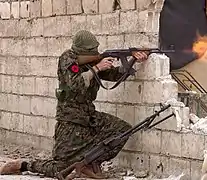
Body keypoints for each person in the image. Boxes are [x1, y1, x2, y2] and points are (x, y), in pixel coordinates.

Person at [0, 30, 149, 179]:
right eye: (91, 52)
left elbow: (117, 75)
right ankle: (23, 165)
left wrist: (132, 60)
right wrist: (97, 68)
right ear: (81, 51)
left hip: (89, 117)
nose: (95, 54)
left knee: (122, 131)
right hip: (70, 122)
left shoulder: (92, 62)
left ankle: (89, 163)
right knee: (60, 167)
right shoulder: (67, 59)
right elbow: (75, 85)